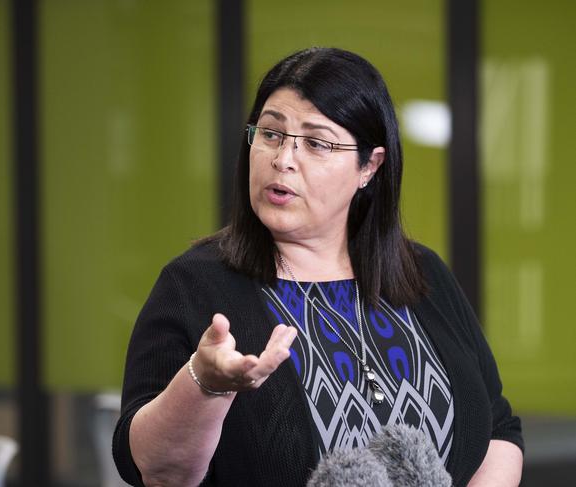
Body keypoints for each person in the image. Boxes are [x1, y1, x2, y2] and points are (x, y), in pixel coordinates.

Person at [112, 47, 523, 487]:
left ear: (370, 166)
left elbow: (498, 429)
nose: (283, 159)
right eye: (270, 134)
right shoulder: (194, 285)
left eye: (316, 143)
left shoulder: (422, 273)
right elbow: (156, 471)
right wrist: (204, 384)